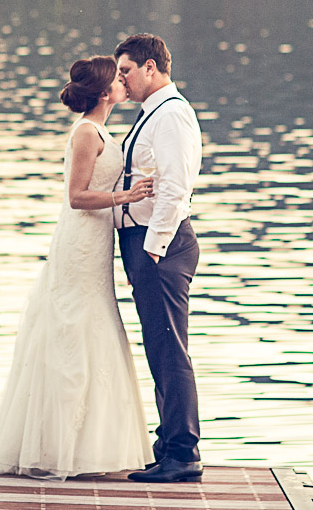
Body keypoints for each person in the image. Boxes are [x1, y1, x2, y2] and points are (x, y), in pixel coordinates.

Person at [0, 55, 155, 480]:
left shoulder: (103, 131)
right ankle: (62, 448)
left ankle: (93, 448)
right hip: (79, 240)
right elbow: (76, 196)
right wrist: (125, 198)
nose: (123, 83)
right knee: (74, 328)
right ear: (102, 92)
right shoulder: (85, 133)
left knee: (95, 326)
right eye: (117, 79)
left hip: (98, 242)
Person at [113, 33, 204, 484]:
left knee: (170, 351)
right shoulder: (151, 114)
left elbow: (174, 187)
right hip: (147, 243)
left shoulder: (171, 115)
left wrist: (152, 248)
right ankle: (168, 444)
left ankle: (183, 454)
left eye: (127, 70)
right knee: (159, 348)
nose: (121, 80)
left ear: (151, 67)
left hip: (160, 245)